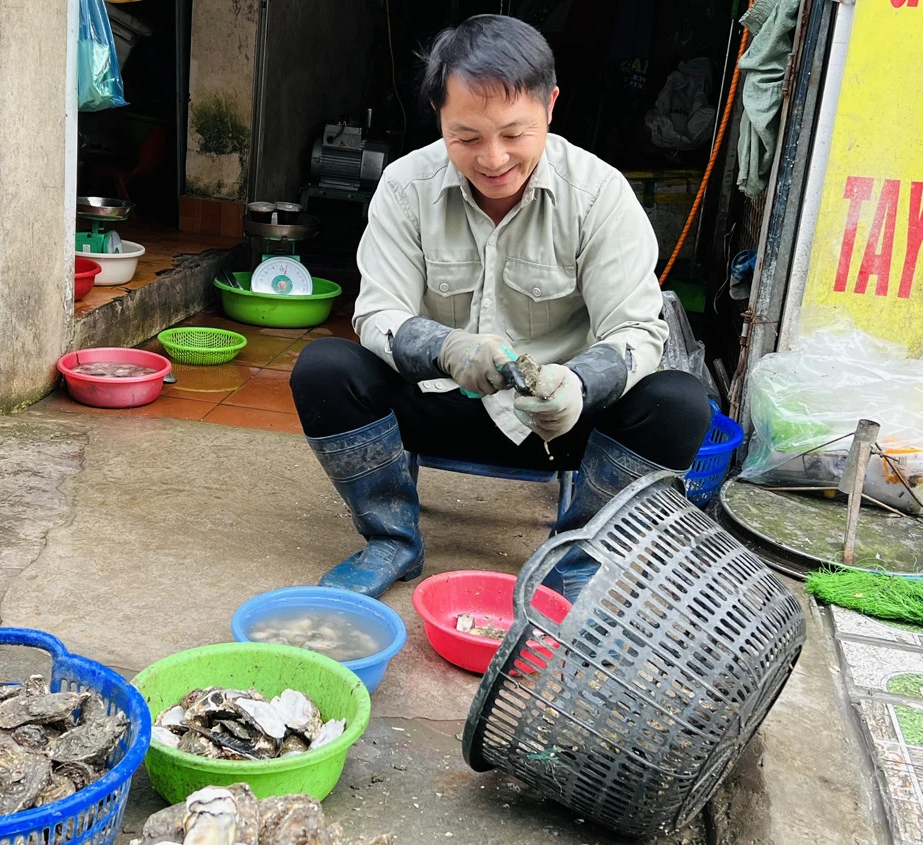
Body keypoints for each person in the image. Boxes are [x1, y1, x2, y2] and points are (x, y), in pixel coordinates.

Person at [289, 15, 712, 600]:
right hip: (438, 403)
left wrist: (579, 386)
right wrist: (449, 349)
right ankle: (390, 540)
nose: (492, 159)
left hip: (556, 424)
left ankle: (578, 557)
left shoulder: (599, 193)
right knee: (325, 370)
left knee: (679, 404)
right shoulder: (404, 186)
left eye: (515, 134)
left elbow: (638, 331)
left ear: (551, 106)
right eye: (466, 137)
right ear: (438, 116)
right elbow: (378, 314)